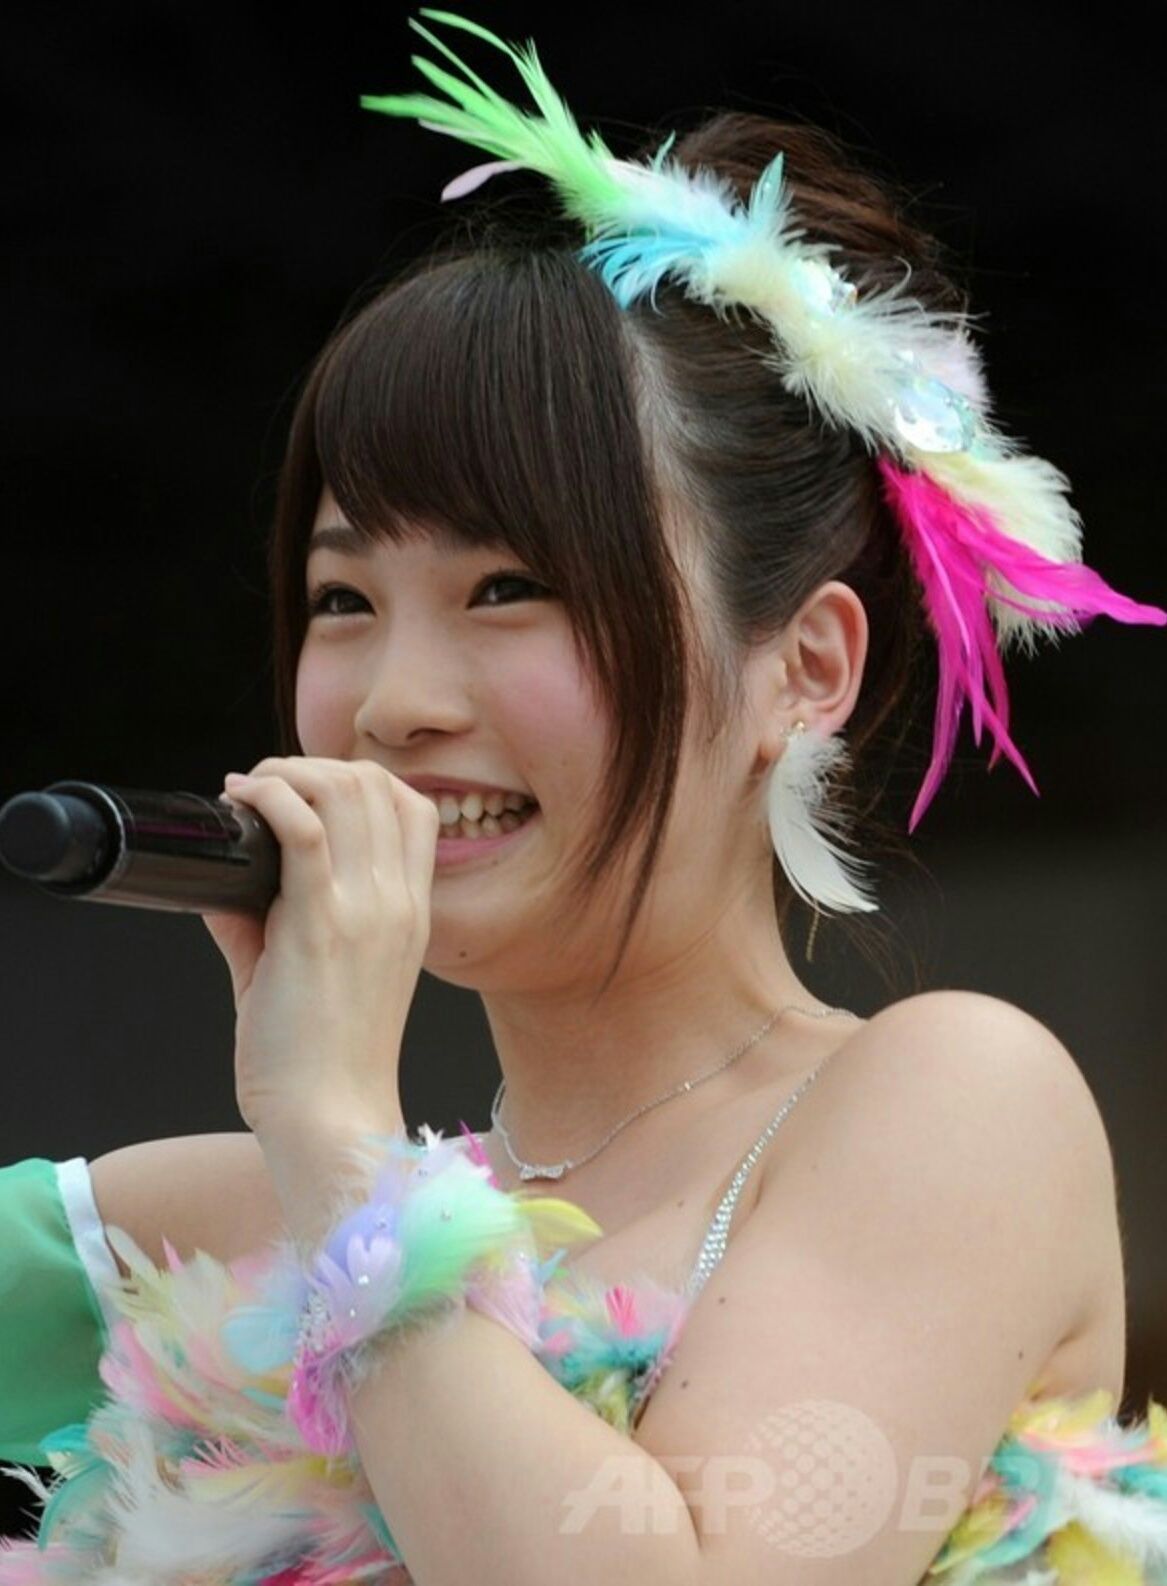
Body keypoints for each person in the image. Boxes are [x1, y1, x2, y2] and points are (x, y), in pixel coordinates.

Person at [2, 11, 1165, 1584]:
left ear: (807, 667)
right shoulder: (208, 1227)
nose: (397, 699)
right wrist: (320, 1160)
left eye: (510, 586)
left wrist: (337, 1141)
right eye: (343, 599)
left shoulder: (953, 1106)